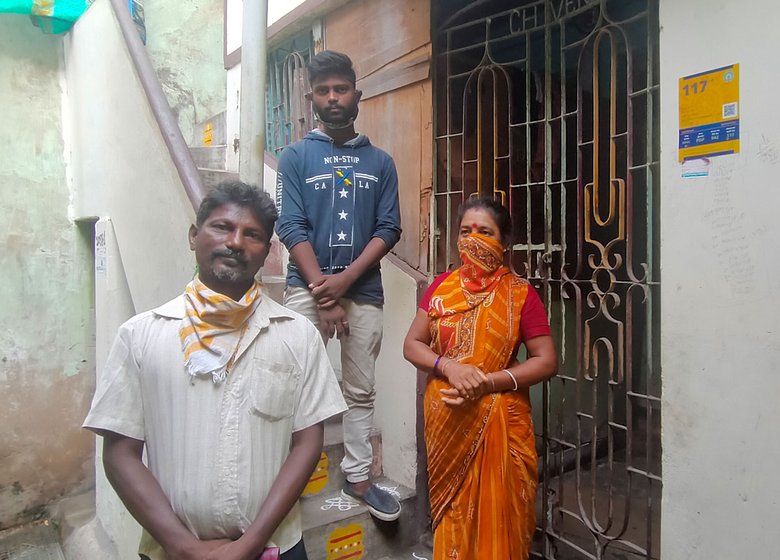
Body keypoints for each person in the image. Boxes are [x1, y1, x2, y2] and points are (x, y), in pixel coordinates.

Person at [83, 181, 347, 560]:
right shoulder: (141, 335)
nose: (236, 242)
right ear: (194, 236)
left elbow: (307, 443)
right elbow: (120, 454)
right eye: (222, 227)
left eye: (252, 234)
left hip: (275, 547)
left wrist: (250, 544)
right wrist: (184, 547)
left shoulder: (297, 335)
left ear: (267, 252)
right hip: (171, 552)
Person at [275, 50, 402, 521]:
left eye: (341, 89)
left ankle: (357, 477)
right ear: (312, 97)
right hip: (305, 286)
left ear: (357, 95)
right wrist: (321, 291)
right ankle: (280, 481)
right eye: (323, 90)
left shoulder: (380, 162)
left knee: (360, 389)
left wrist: (346, 281)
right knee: (290, 383)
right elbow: (290, 226)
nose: (333, 98)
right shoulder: (295, 156)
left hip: (364, 290)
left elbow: (389, 228)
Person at [403, 195, 558, 559]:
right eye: (465, 231)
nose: (472, 239)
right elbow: (412, 344)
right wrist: (449, 367)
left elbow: (546, 360)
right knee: (452, 518)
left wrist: (487, 382)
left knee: (502, 521)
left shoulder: (520, 295)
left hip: (500, 423)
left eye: (484, 231)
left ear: (504, 243)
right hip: (447, 424)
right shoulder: (441, 287)